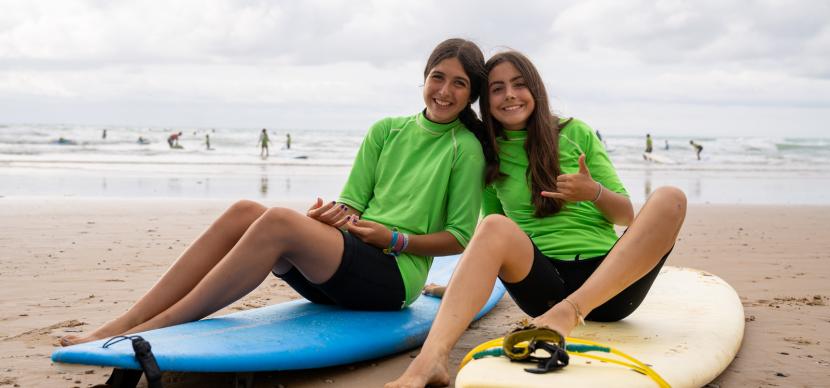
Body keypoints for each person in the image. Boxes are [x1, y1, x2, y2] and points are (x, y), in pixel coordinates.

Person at [59, 38, 492, 348]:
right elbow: (352, 205)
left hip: (393, 280)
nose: (444, 91)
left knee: (279, 221)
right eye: (438, 77)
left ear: (471, 94)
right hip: (345, 262)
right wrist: (329, 218)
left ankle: (161, 325)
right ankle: (129, 319)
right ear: (424, 78)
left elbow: (459, 238)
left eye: (458, 84)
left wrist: (394, 239)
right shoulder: (386, 130)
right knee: (245, 210)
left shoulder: (465, 149)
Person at [387, 51, 686, 388]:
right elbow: (491, 241)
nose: (510, 94)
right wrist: (457, 288)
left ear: (535, 89)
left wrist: (594, 193)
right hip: (543, 286)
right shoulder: (491, 154)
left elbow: (626, 215)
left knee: (670, 198)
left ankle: (570, 313)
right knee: (493, 225)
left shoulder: (576, 133)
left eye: (519, 84)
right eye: (497, 89)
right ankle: (430, 362)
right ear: (486, 101)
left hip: (611, 286)